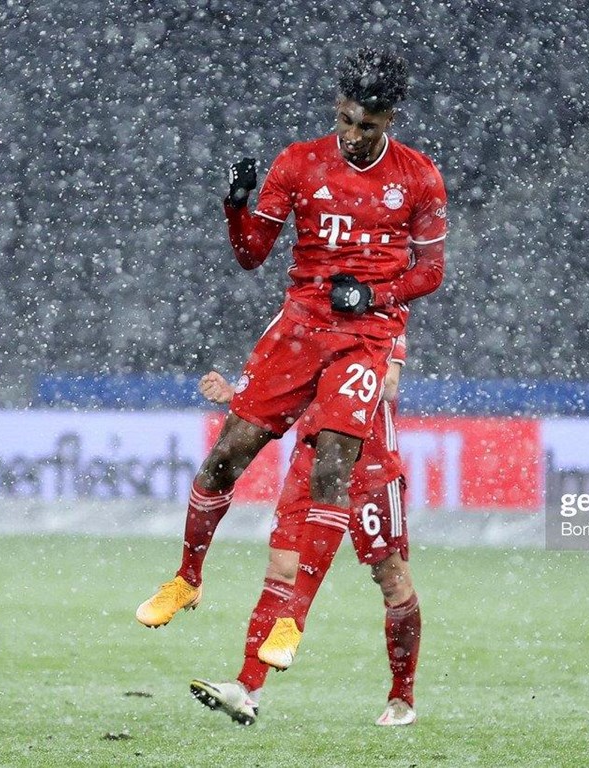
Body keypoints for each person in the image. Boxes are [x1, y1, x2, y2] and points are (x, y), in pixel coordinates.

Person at [136, 46, 444, 676]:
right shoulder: (299, 163)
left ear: (392, 120)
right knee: (228, 455)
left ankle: (290, 619)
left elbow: (432, 270)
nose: (356, 137)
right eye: (350, 120)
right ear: (339, 106)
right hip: (299, 329)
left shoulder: (418, 177)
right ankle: (187, 577)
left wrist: (375, 295)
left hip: (363, 340)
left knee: (333, 464)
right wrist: (235, 207)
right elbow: (253, 254)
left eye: (371, 126)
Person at [188, 341, 419, 726]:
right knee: (281, 570)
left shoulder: (383, 310)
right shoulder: (310, 316)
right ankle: (247, 688)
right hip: (311, 463)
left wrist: (336, 379)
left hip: (370, 468)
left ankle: (402, 697)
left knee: (392, 580)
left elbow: (389, 384)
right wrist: (247, 398)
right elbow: (289, 385)